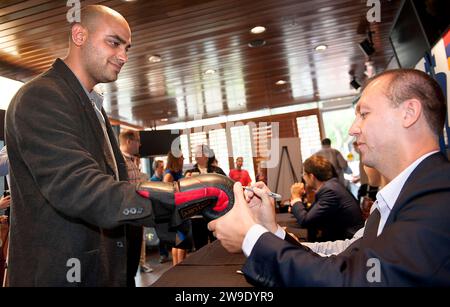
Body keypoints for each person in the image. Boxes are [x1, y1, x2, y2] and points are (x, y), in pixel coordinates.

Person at [4, 5, 234, 286]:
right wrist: (178, 197)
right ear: (79, 35)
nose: (123, 56)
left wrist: (184, 207)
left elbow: (114, 192)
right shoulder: (41, 96)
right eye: (114, 43)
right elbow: (80, 189)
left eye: (127, 47)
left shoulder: (94, 106)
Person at [208, 69, 450, 286]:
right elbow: (345, 260)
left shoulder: (439, 197)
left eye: (364, 114)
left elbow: (356, 280)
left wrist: (250, 236)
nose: (353, 128)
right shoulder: (406, 195)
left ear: (409, 113)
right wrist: (271, 232)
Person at [289, 155, 364, 242]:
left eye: (304, 174)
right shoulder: (331, 185)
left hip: (350, 242)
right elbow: (312, 214)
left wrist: (296, 197)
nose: (303, 177)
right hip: (342, 236)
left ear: (312, 176)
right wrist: (296, 207)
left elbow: (306, 221)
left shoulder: (329, 190)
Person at [119, 130, 153, 277]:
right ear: (128, 142)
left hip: (136, 214)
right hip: (127, 216)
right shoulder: (119, 160)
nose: (140, 144)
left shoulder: (132, 161)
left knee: (134, 257)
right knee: (128, 260)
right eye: (137, 141)